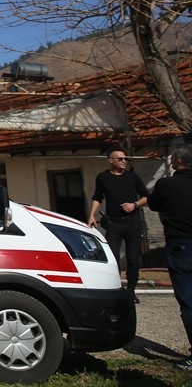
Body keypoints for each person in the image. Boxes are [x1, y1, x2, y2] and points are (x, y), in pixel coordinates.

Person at [148, 144, 192, 371]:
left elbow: (154, 204)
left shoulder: (167, 184)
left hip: (181, 244)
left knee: (188, 301)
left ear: (179, 162)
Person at [87, 148, 149, 303]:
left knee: (133, 259)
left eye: (125, 159)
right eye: (120, 159)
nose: (123, 161)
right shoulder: (103, 177)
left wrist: (134, 205)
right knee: (112, 257)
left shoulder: (132, 177)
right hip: (114, 223)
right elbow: (97, 197)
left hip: (133, 222)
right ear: (110, 160)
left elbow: (146, 196)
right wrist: (92, 215)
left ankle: (131, 290)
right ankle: (116, 289)